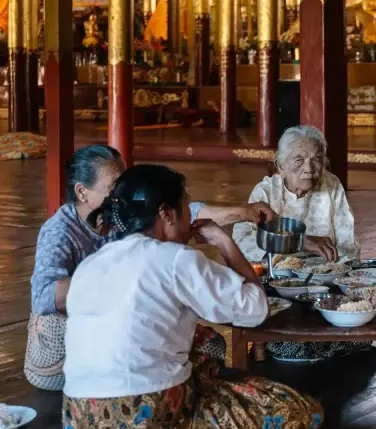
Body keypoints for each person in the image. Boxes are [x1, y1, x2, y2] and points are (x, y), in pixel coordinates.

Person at [62, 164, 323, 429]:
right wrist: (225, 243)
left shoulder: (92, 264)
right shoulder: (175, 259)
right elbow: (255, 309)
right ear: (167, 214)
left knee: (205, 339)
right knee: (297, 412)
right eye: (186, 206)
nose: (190, 216)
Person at [25, 144, 275, 391]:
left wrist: (243, 212)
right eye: (113, 187)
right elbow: (43, 297)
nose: (122, 192)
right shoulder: (60, 232)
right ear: (82, 192)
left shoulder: (124, 224)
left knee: (207, 343)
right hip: (63, 347)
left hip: (83, 407)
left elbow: (188, 212)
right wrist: (127, 274)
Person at [233, 125, 368, 362]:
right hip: (279, 285)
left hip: (325, 285)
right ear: (280, 165)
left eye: (317, 159)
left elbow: (347, 245)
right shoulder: (266, 192)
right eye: (299, 160)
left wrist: (340, 273)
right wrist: (299, 244)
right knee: (291, 337)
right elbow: (243, 243)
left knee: (362, 334)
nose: (309, 169)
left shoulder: (331, 185)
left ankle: (316, 342)